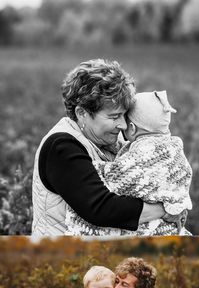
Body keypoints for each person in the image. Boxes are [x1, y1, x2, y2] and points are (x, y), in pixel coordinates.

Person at [32, 59, 186, 236]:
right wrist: (168, 208)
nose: (122, 125)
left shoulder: (110, 140)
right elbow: (101, 208)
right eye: (114, 117)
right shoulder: (61, 146)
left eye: (124, 116)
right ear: (81, 113)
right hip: (61, 256)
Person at [66, 90, 192, 236]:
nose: (122, 126)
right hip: (173, 228)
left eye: (124, 119)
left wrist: (94, 167)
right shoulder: (174, 147)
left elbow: (120, 177)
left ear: (132, 128)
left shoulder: (146, 151)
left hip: (151, 229)